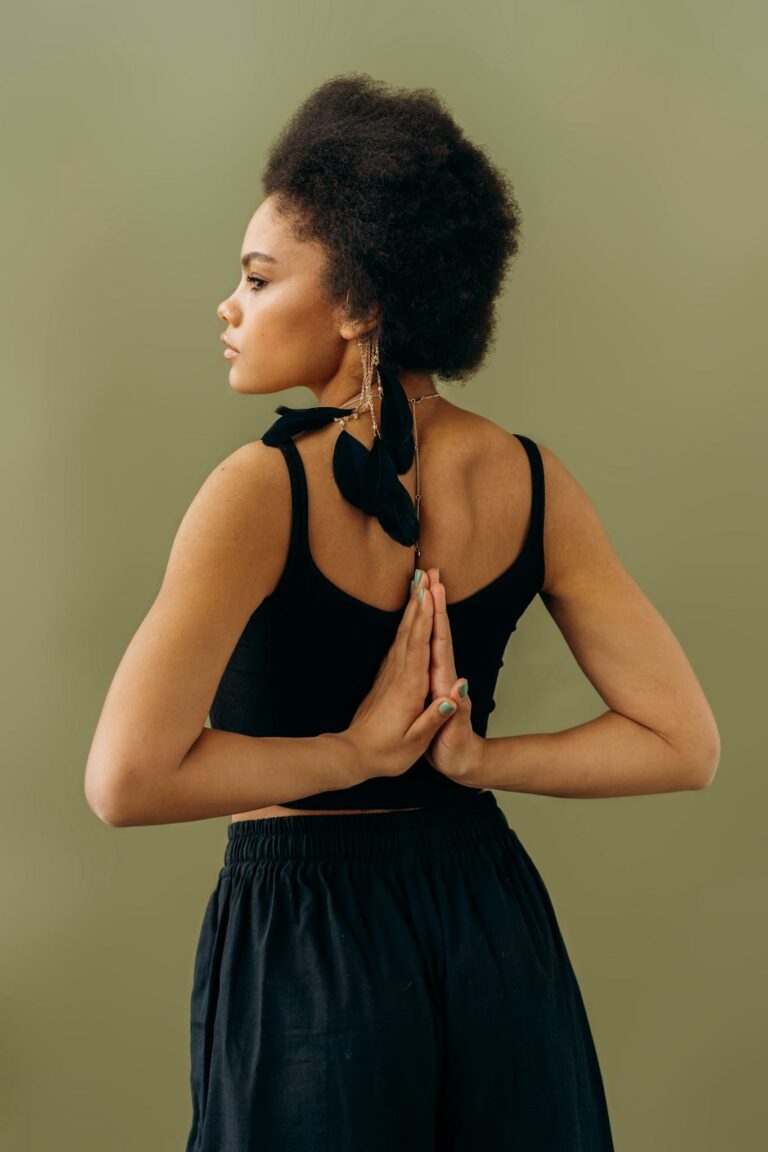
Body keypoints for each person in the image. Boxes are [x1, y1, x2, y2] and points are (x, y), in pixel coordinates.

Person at [84, 74, 720, 1150]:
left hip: (308, 945)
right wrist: (475, 764)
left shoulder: (260, 488)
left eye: (257, 277)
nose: (228, 306)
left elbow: (124, 782)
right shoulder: (532, 477)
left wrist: (351, 753)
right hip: (487, 922)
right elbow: (682, 744)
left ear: (362, 301)